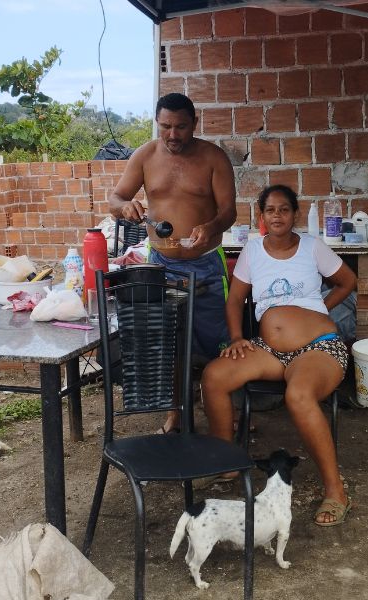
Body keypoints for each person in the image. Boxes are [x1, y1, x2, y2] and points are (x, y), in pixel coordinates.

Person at [201, 184, 357, 526]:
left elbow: (347, 281)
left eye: (284, 209)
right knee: (214, 376)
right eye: (270, 210)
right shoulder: (252, 251)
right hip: (270, 350)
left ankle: (336, 491)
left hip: (319, 348)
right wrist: (238, 337)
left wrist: (320, 309)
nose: (277, 216)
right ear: (261, 216)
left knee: (298, 394)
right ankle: (226, 463)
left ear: (295, 214)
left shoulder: (313, 248)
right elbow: (234, 300)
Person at [108, 93, 236, 434]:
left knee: (216, 341)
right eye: (165, 126)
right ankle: (176, 414)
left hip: (207, 264)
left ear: (194, 123)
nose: (173, 135)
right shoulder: (145, 156)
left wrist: (212, 227)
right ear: (157, 123)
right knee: (169, 341)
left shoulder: (213, 158)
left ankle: (223, 415)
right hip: (161, 265)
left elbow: (229, 211)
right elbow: (115, 197)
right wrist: (124, 207)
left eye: (180, 127)